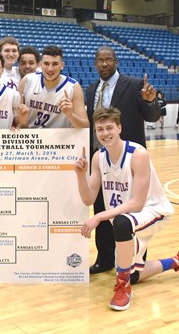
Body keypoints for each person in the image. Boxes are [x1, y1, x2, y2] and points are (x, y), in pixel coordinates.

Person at [74, 107, 175, 311]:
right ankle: (174, 261)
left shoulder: (138, 154)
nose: (105, 133)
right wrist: (80, 175)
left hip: (152, 212)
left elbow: (137, 203)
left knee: (120, 223)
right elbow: (88, 199)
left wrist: (99, 217)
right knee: (133, 272)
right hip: (128, 218)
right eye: (100, 129)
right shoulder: (98, 157)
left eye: (109, 127)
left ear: (119, 128)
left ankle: (123, 288)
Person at [86, 45, 161, 275]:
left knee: (130, 213)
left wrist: (150, 102)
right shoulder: (90, 90)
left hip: (129, 161)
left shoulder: (135, 84)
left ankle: (136, 259)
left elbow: (151, 116)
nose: (105, 64)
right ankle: (106, 257)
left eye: (109, 60)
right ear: (95, 63)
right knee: (103, 206)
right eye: (100, 60)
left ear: (116, 62)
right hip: (102, 159)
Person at [17, 45, 89, 129]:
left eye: (55, 64)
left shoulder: (73, 87)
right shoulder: (27, 81)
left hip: (60, 140)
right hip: (32, 139)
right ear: (40, 64)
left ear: (62, 65)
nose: (50, 69)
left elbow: (85, 126)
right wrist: (22, 119)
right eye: (46, 64)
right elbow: (18, 125)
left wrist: (70, 115)